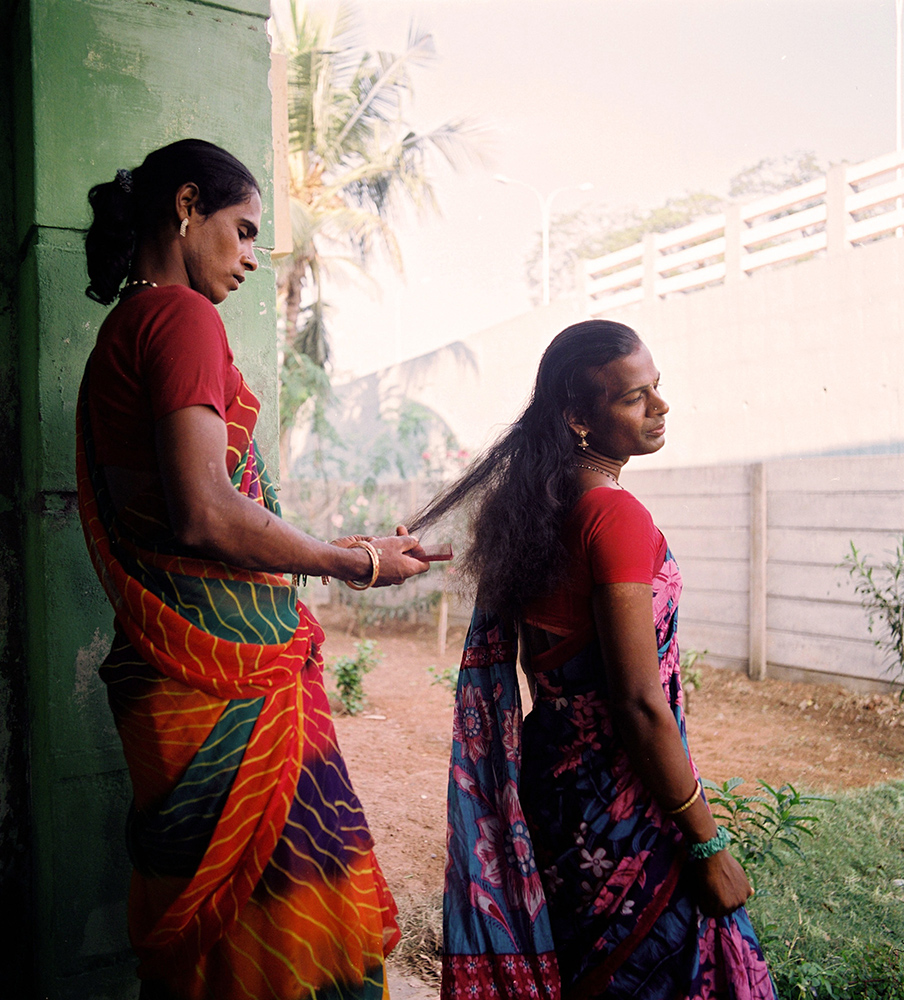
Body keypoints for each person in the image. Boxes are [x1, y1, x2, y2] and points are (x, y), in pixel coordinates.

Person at [76, 138, 429, 1000]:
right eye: (242, 231)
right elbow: (207, 512)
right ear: (187, 207)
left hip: (178, 677)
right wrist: (353, 561)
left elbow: (198, 512)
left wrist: (345, 549)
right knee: (283, 939)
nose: (249, 259)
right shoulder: (182, 317)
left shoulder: (125, 326)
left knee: (224, 952)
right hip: (227, 684)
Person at [410, 321, 776, 1000]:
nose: (660, 407)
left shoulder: (540, 509)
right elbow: (639, 705)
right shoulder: (614, 516)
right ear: (578, 417)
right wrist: (706, 844)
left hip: (554, 797)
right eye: (636, 398)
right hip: (627, 807)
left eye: (657, 389)